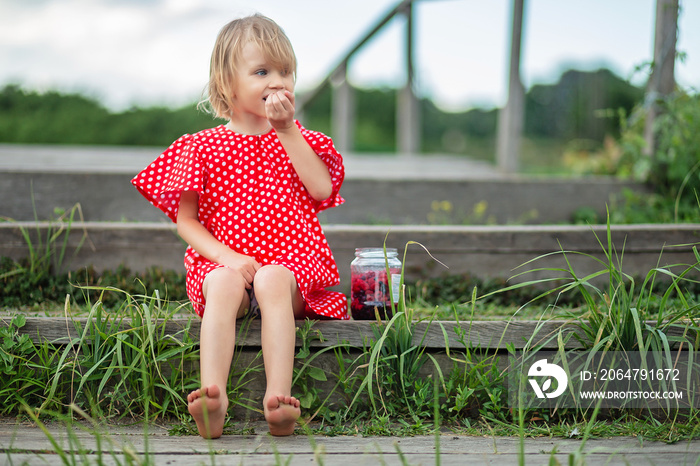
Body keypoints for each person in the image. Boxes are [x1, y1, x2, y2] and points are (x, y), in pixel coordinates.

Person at [131, 13, 348, 439]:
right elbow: (186, 222)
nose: (279, 81)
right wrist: (227, 257)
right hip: (224, 265)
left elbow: (321, 189)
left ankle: (279, 401)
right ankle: (214, 398)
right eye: (263, 71)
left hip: (290, 270)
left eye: (286, 71)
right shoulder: (201, 147)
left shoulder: (300, 140)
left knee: (269, 279)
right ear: (227, 84)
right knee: (227, 283)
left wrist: (287, 129)